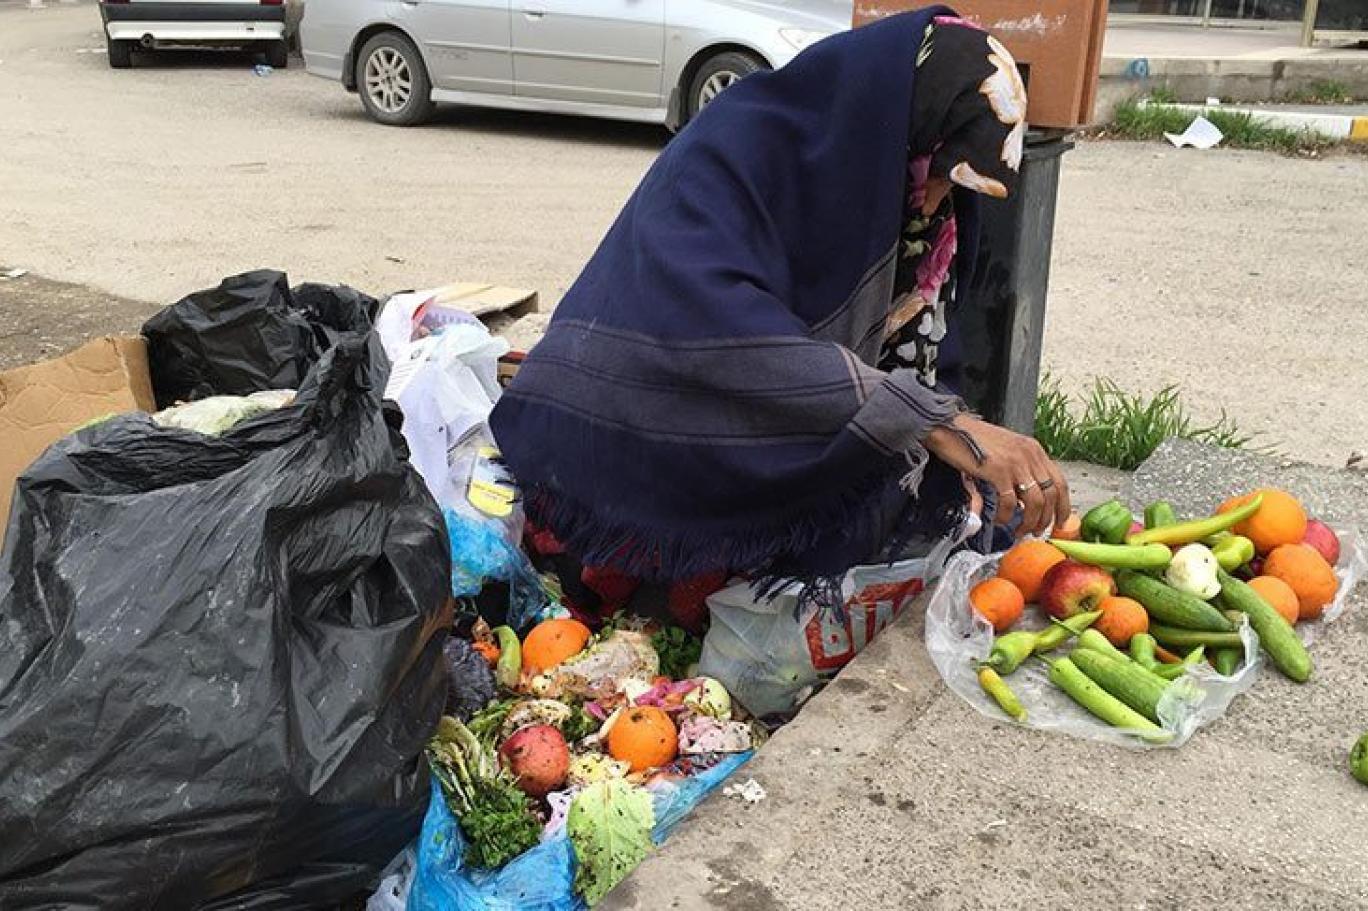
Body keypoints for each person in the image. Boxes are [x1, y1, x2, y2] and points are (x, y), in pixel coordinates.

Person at [490, 7, 1070, 615]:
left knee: (907, 474)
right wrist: (939, 424)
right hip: (644, 396)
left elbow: (914, 359)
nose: (934, 198)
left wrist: (954, 441)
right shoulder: (739, 144)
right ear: (902, 125)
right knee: (666, 581)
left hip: (754, 390)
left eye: (950, 185)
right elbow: (709, 332)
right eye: (935, 173)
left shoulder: (902, 190)